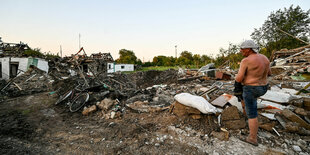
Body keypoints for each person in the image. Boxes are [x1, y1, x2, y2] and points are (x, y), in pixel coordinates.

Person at [234, 40, 271, 146]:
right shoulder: (265, 58)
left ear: (249, 49)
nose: (241, 51)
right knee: (249, 104)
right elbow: (269, 73)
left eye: (242, 49)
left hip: (251, 89)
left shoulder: (246, 60)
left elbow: (239, 78)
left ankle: (252, 138)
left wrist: (237, 85)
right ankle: (248, 121)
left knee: (252, 114)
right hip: (263, 87)